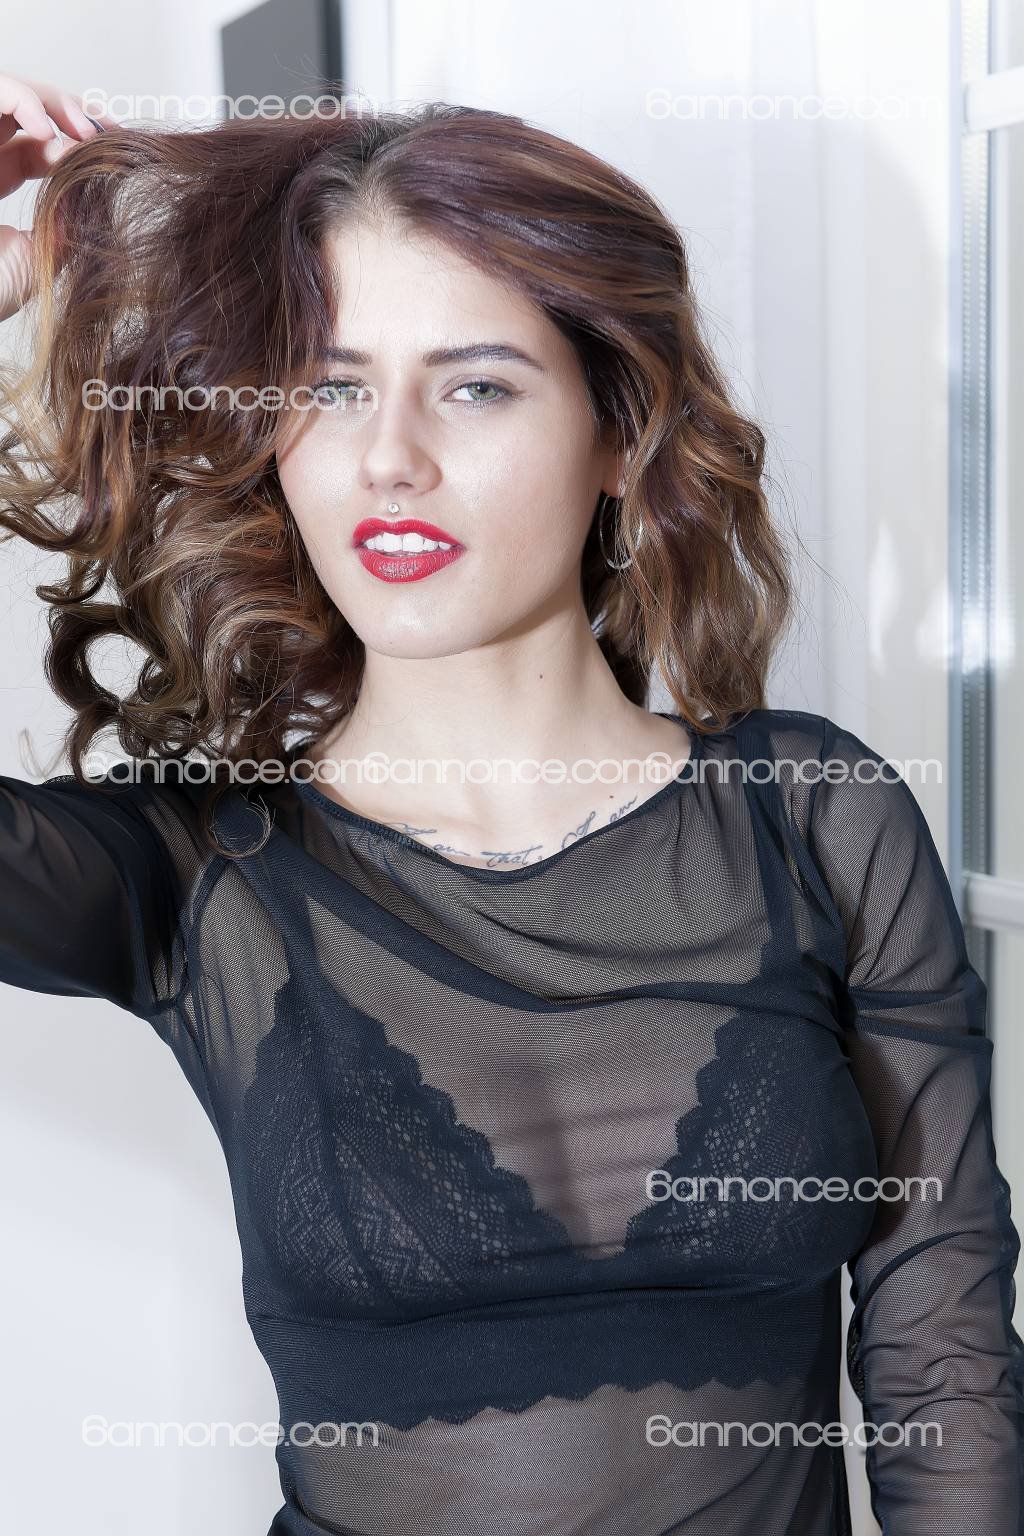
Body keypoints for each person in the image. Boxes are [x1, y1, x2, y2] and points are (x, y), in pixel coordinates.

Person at [0, 74, 1021, 1536]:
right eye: (332, 388)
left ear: (619, 436)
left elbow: (946, 1357)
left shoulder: (813, 815)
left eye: (475, 384)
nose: (390, 457)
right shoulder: (195, 870)